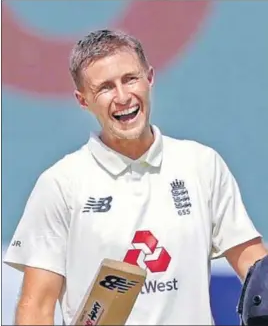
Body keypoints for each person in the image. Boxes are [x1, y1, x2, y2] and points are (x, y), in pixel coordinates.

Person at [4, 29, 267, 325]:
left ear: (150, 78)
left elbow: (256, 269)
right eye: (105, 87)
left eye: (130, 79)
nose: (122, 97)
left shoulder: (201, 164)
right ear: (83, 100)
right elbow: (36, 307)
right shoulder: (61, 184)